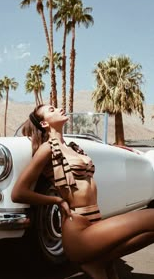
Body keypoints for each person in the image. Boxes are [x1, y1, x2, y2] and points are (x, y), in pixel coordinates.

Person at [11, 104, 154, 279]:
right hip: (78, 231)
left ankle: (98, 261)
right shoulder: (47, 149)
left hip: (96, 221)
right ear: (44, 124)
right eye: (51, 110)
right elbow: (18, 192)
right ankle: (96, 261)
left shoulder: (73, 147)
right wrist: (56, 201)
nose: (59, 109)